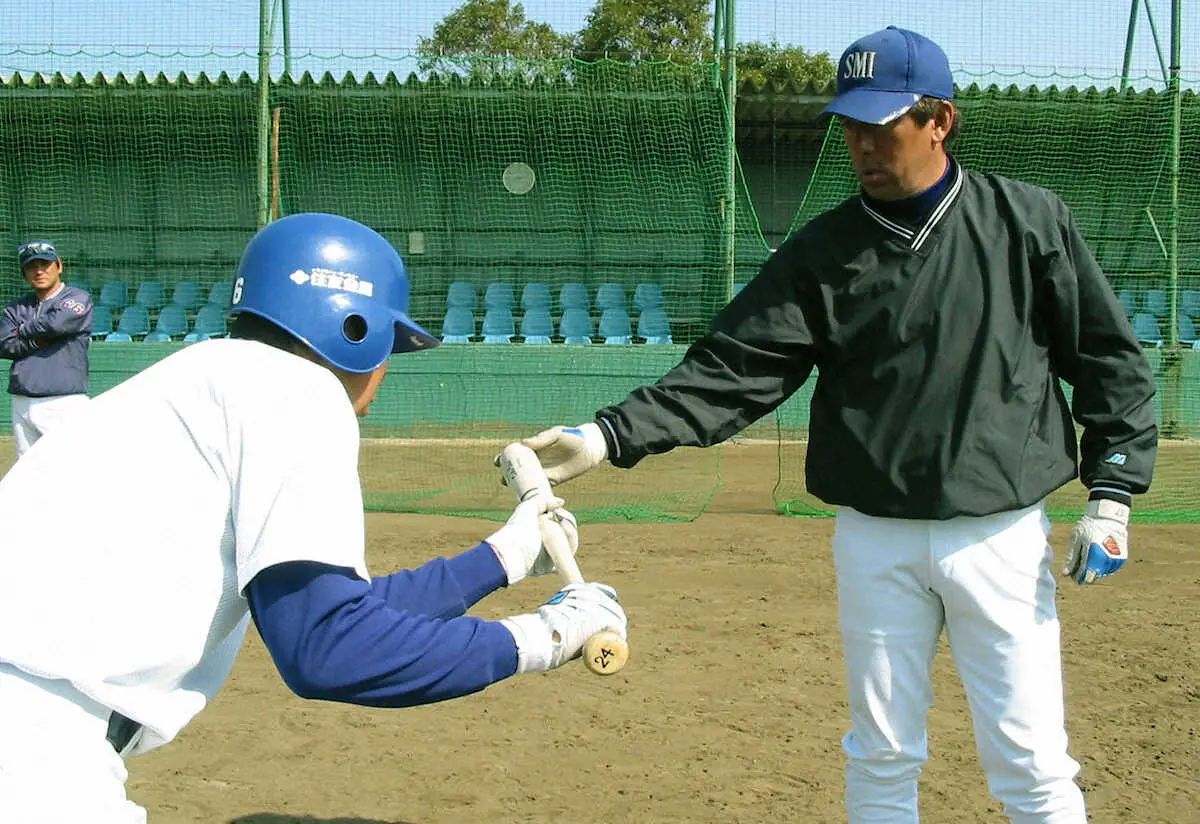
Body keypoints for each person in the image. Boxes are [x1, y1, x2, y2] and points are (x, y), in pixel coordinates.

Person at [517, 26, 1156, 824]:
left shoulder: (1027, 222)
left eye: (881, 125)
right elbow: (733, 370)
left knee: (1030, 760)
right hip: (874, 536)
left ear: (939, 121)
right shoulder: (824, 250)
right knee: (881, 754)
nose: (861, 144)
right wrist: (609, 434)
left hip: (998, 532)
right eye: (850, 125)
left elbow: (1107, 357)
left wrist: (1114, 492)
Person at [0, 213, 627, 823]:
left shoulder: (201, 379)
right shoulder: (297, 393)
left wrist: (506, 556)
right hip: (34, 747)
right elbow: (332, 648)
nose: (379, 382)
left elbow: (334, 605)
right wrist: (547, 637)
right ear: (354, 328)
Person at [0, 239, 93, 458]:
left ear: (59, 265)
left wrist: (22, 330)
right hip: (22, 400)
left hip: (63, 400)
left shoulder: (77, 298)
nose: (39, 271)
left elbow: (56, 324)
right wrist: (41, 339)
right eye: (32, 266)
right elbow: (4, 344)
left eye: (45, 264)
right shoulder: (15, 307)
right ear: (24, 274)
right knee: (28, 470)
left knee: (71, 464)